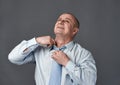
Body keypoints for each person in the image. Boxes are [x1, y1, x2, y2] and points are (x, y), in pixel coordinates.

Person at [8, 12, 97, 85]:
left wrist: (67, 62)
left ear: (74, 31)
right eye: (59, 20)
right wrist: (36, 41)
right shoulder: (40, 49)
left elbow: (89, 82)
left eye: (67, 21)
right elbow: (13, 58)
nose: (61, 22)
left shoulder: (84, 54)